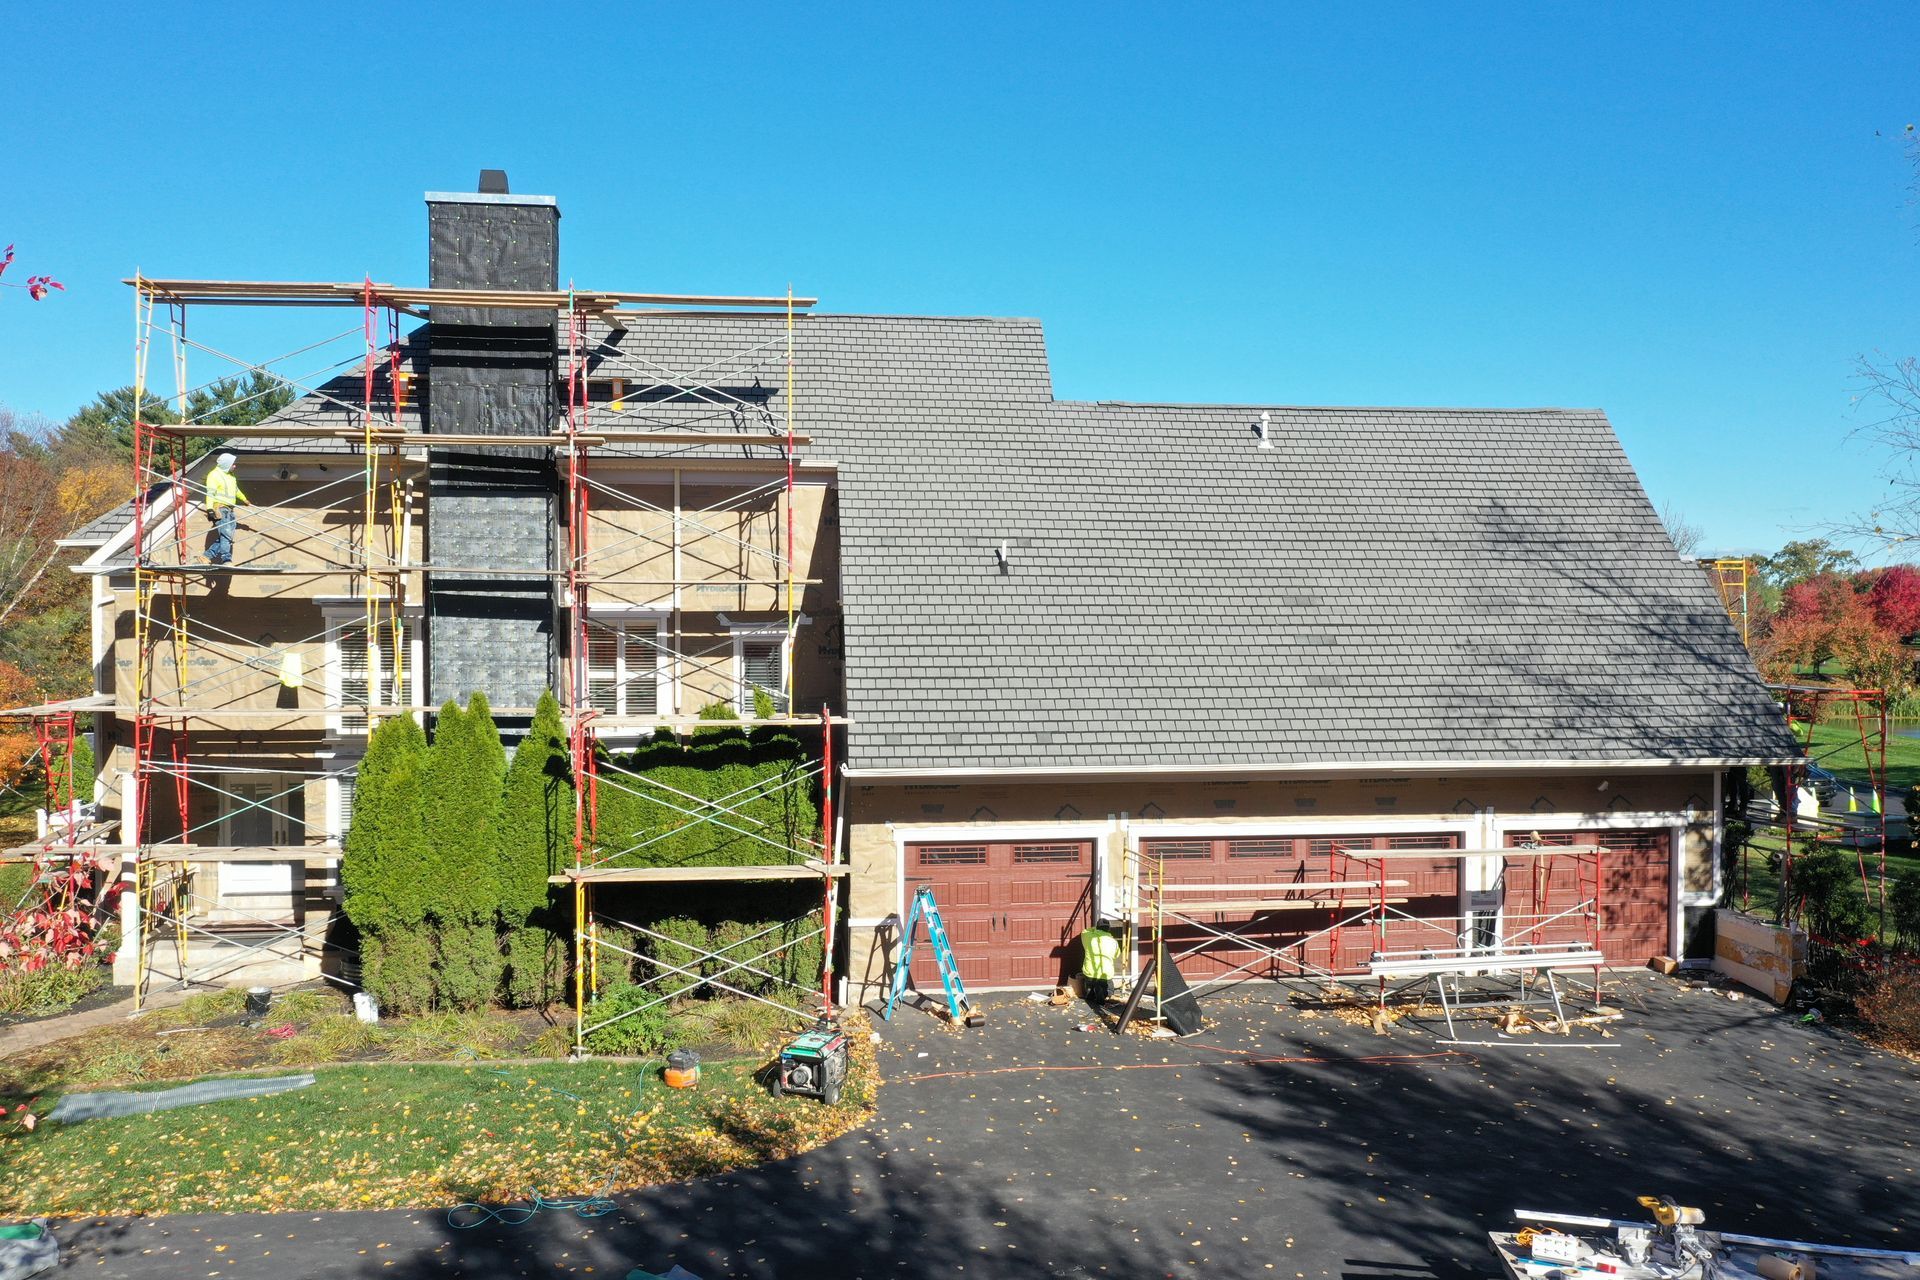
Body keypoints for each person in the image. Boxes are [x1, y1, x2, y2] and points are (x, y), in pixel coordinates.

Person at [203, 453, 247, 565]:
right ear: (227, 464)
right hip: (220, 508)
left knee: (226, 536)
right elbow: (210, 493)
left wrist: (245, 499)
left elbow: (236, 490)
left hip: (230, 509)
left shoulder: (231, 476)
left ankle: (206, 556)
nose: (235, 466)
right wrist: (209, 509)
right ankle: (226, 559)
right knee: (226, 535)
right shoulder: (214, 475)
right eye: (233, 464)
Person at [1079, 918, 1121, 1007]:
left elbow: (1085, 931)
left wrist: (1095, 929)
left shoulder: (1088, 937)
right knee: (1107, 990)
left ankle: (1091, 995)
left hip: (1090, 972)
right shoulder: (1113, 942)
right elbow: (1116, 955)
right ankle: (1105, 997)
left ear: (1097, 927)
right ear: (1108, 929)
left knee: (1090, 992)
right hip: (1105, 973)